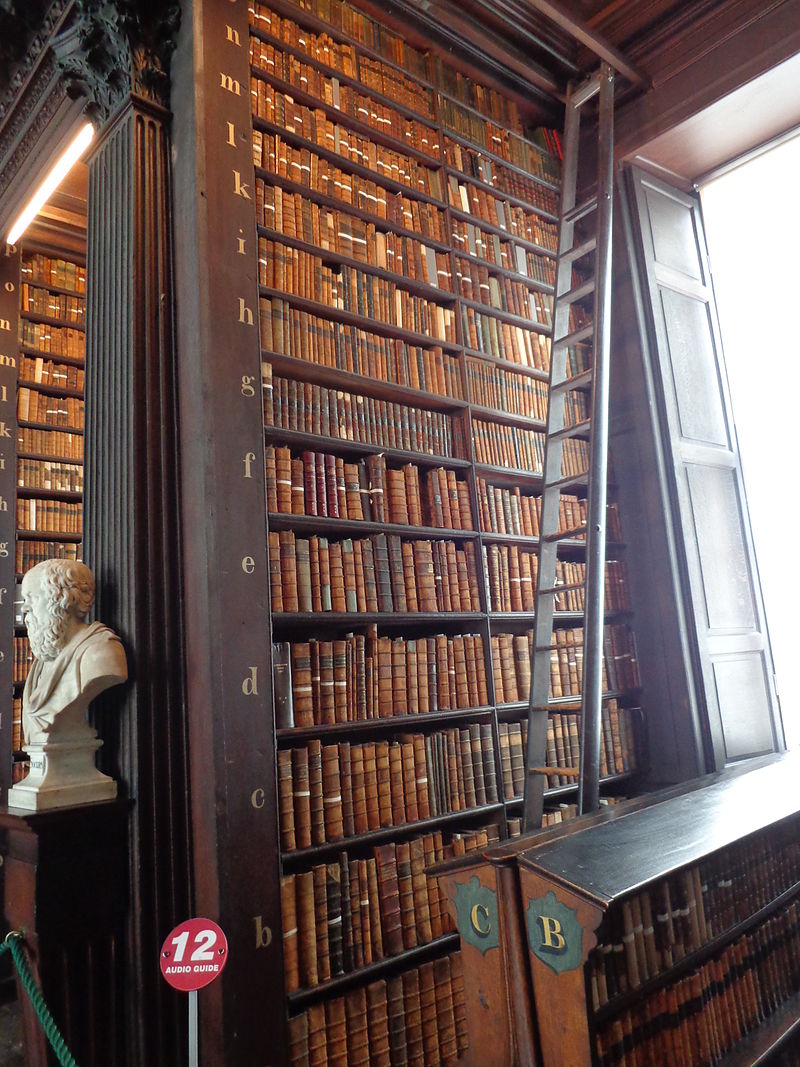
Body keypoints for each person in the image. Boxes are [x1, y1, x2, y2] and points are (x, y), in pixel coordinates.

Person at [21, 558, 128, 744]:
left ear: (64, 600)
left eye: (32, 598)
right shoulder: (42, 662)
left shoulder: (101, 652)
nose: (24, 608)